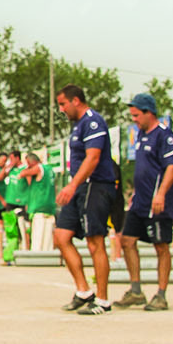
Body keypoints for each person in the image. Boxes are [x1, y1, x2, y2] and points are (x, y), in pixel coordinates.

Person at [52, 86, 120, 314]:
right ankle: (83, 291)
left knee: (95, 242)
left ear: (76, 101)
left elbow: (93, 158)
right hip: (79, 187)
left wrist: (71, 185)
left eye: (63, 104)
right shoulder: (77, 125)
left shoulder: (93, 122)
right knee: (61, 236)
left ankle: (102, 299)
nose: (61, 109)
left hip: (96, 186)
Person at [115, 93, 173, 309]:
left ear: (148, 113)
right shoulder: (140, 136)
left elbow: (172, 166)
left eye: (136, 115)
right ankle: (136, 291)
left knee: (161, 246)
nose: (133, 119)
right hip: (140, 201)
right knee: (126, 240)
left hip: (157, 202)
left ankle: (161, 295)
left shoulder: (164, 135)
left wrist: (161, 193)